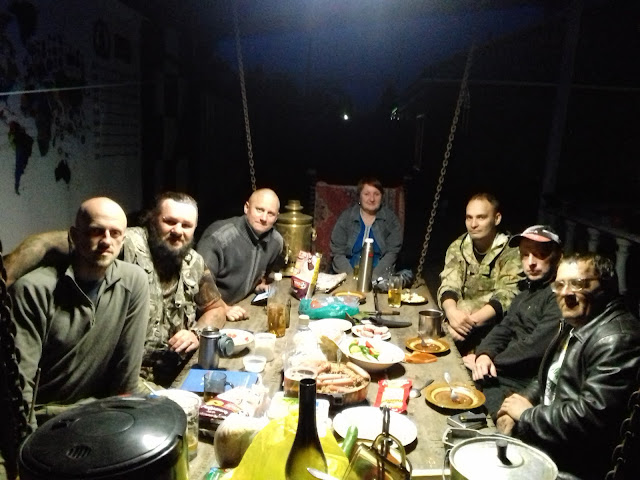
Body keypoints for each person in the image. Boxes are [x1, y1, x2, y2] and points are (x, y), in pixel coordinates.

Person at [4, 192, 229, 387]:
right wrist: (7, 275)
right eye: (169, 221)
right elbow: (45, 243)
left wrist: (196, 333)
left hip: (174, 370)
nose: (178, 231)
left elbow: (216, 309)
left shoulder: (193, 261)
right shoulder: (123, 242)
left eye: (186, 225)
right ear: (152, 220)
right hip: (124, 377)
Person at [496, 253, 640, 480]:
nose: (566, 293)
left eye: (578, 284)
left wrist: (526, 416)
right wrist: (518, 405)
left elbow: (590, 418)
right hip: (547, 443)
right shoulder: (578, 322)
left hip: (571, 467)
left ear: (606, 287)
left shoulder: (617, 339)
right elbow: (549, 376)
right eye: (560, 285)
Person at [10, 197, 149, 427]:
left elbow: (127, 378)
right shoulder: (33, 290)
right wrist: (28, 442)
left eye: (115, 233)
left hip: (101, 412)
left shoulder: (134, 282)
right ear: (74, 236)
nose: (106, 241)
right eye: (96, 231)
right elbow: (20, 389)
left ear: (123, 240)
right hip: (47, 418)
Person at [471, 225, 563, 415]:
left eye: (540, 255)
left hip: (523, 382)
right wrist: (484, 355)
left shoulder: (558, 298)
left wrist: (493, 362)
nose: (531, 263)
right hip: (501, 372)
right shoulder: (525, 292)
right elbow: (503, 328)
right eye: (525, 255)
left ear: (556, 257)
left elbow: (535, 347)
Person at [437, 193, 521, 358]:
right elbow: (449, 283)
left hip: (494, 330)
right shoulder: (458, 247)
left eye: (481, 217)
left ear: (497, 219)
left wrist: (465, 325)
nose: (473, 224)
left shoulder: (511, 251)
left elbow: (506, 296)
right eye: (469, 218)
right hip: (457, 321)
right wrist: (452, 313)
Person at [196, 188, 284, 316]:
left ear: (276, 217)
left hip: (241, 305)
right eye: (259, 210)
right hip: (208, 311)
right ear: (246, 208)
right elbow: (200, 283)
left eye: (270, 214)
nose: (264, 218)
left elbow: (262, 273)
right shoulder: (219, 238)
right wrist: (224, 308)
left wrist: (258, 285)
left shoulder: (276, 242)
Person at [330, 177, 403, 279]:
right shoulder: (346, 218)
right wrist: (351, 277)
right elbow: (337, 252)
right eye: (366, 194)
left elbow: (392, 253)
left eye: (376, 194)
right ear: (359, 196)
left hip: (379, 276)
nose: (372, 199)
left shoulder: (390, 220)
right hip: (347, 274)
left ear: (382, 196)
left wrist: (373, 277)